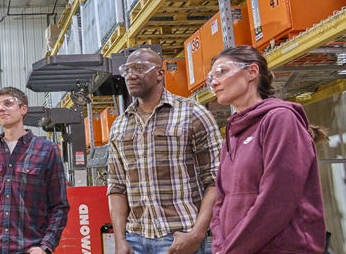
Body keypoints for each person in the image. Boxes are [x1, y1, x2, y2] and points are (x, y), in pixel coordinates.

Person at [207, 45, 326, 253]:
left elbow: (277, 198)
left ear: (252, 72)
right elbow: (221, 200)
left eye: (221, 72)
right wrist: (219, 246)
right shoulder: (231, 134)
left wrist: (231, 249)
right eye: (211, 78)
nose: (214, 82)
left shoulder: (280, 119)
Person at [107, 48, 221, 254]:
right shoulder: (120, 125)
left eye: (140, 68)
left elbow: (216, 180)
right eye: (127, 70)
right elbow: (116, 187)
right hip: (135, 240)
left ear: (160, 73)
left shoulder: (193, 114)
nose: (131, 75)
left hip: (179, 238)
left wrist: (196, 234)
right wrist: (120, 239)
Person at [0, 87, 70, 254]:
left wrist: (46, 247)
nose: (1, 108)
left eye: (8, 103)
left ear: (24, 109)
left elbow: (59, 206)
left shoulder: (46, 150)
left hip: (31, 248)